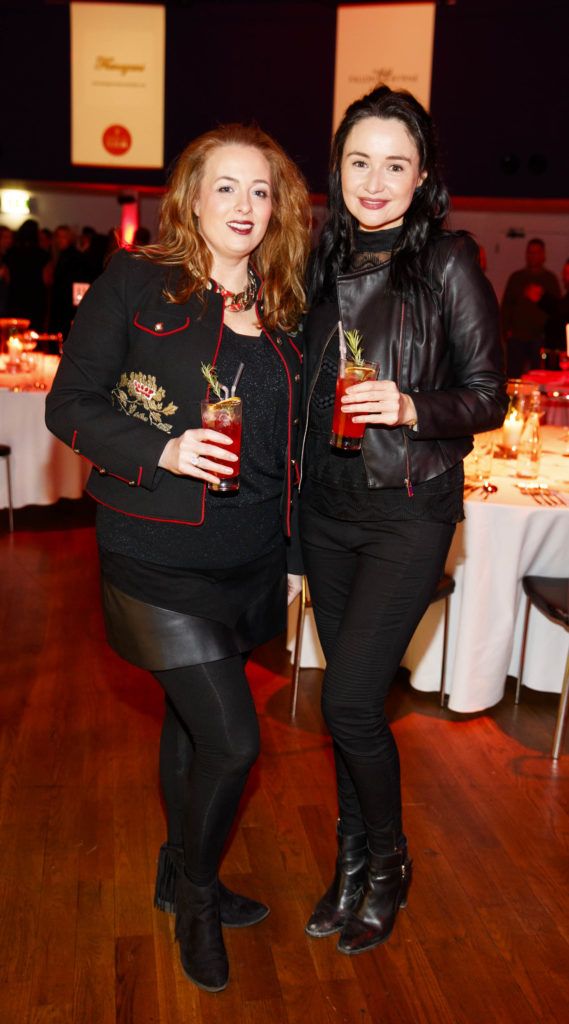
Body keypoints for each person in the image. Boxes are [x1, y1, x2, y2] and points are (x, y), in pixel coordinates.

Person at [46, 123, 310, 992]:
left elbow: (289, 445)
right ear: (191, 197)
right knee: (233, 744)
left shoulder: (284, 306)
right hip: (154, 553)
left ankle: (174, 870)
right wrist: (159, 449)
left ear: (277, 210)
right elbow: (68, 405)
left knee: (192, 725)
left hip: (247, 559)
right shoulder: (135, 283)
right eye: (225, 186)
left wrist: (300, 550)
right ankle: (195, 896)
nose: (243, 205)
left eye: (260, 190)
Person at [298, 86, 507, 957]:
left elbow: (490, 397)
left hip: (408, 508)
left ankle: (388, 865)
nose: (375, 181)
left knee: (345, 702)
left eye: (395, 165)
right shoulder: (312, 258)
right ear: (337, 168)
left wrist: (412, 407)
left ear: (422, 178)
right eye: (359, 162)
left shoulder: (448, 261)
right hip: (326, 507)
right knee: (352, 707)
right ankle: (350, 858)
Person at [501, 238, 561, 377]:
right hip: (517, 336)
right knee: (514, 375)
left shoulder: (550, 279)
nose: (533, 256)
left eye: (537, 252)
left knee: (539, 375)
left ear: (543, 255)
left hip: (540, 338)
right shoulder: (516, 277)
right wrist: (506, 330)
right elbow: (506, 305)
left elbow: (557, 309)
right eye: (530, 252)